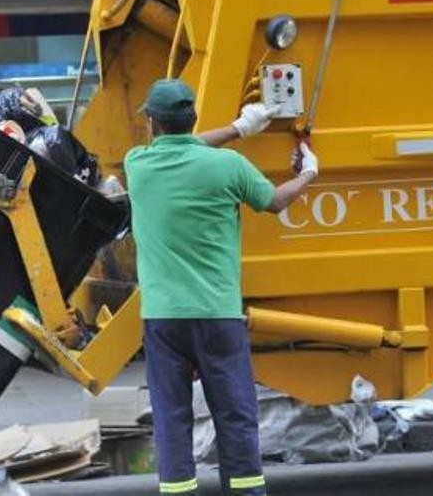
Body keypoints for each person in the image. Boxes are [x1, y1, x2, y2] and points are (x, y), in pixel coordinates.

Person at [124, 79, 318, 496]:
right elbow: (276, 200)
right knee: (234, 414)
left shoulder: (137, 165)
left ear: (153, 124)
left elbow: (184, 147)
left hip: (164, 318)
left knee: (172, 417)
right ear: (192, 118)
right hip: (219, 315)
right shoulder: (229, 168)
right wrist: (309, 175)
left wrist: (235, 128)